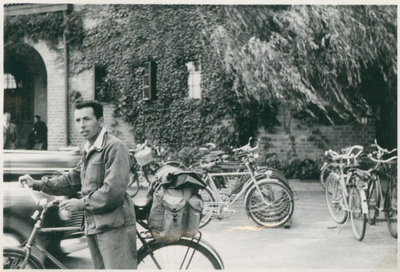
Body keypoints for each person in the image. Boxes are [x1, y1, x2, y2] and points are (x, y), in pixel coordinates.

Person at [19, 100, 137, 269]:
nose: (81, 125)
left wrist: (80, 203)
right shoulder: (89, 148)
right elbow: (72, 179)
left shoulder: (114, 147)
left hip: (115, 227)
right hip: (94, 225)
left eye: (87, 119)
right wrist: (37, 183)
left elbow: (113, 192)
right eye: (78, 120)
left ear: (101, 121)